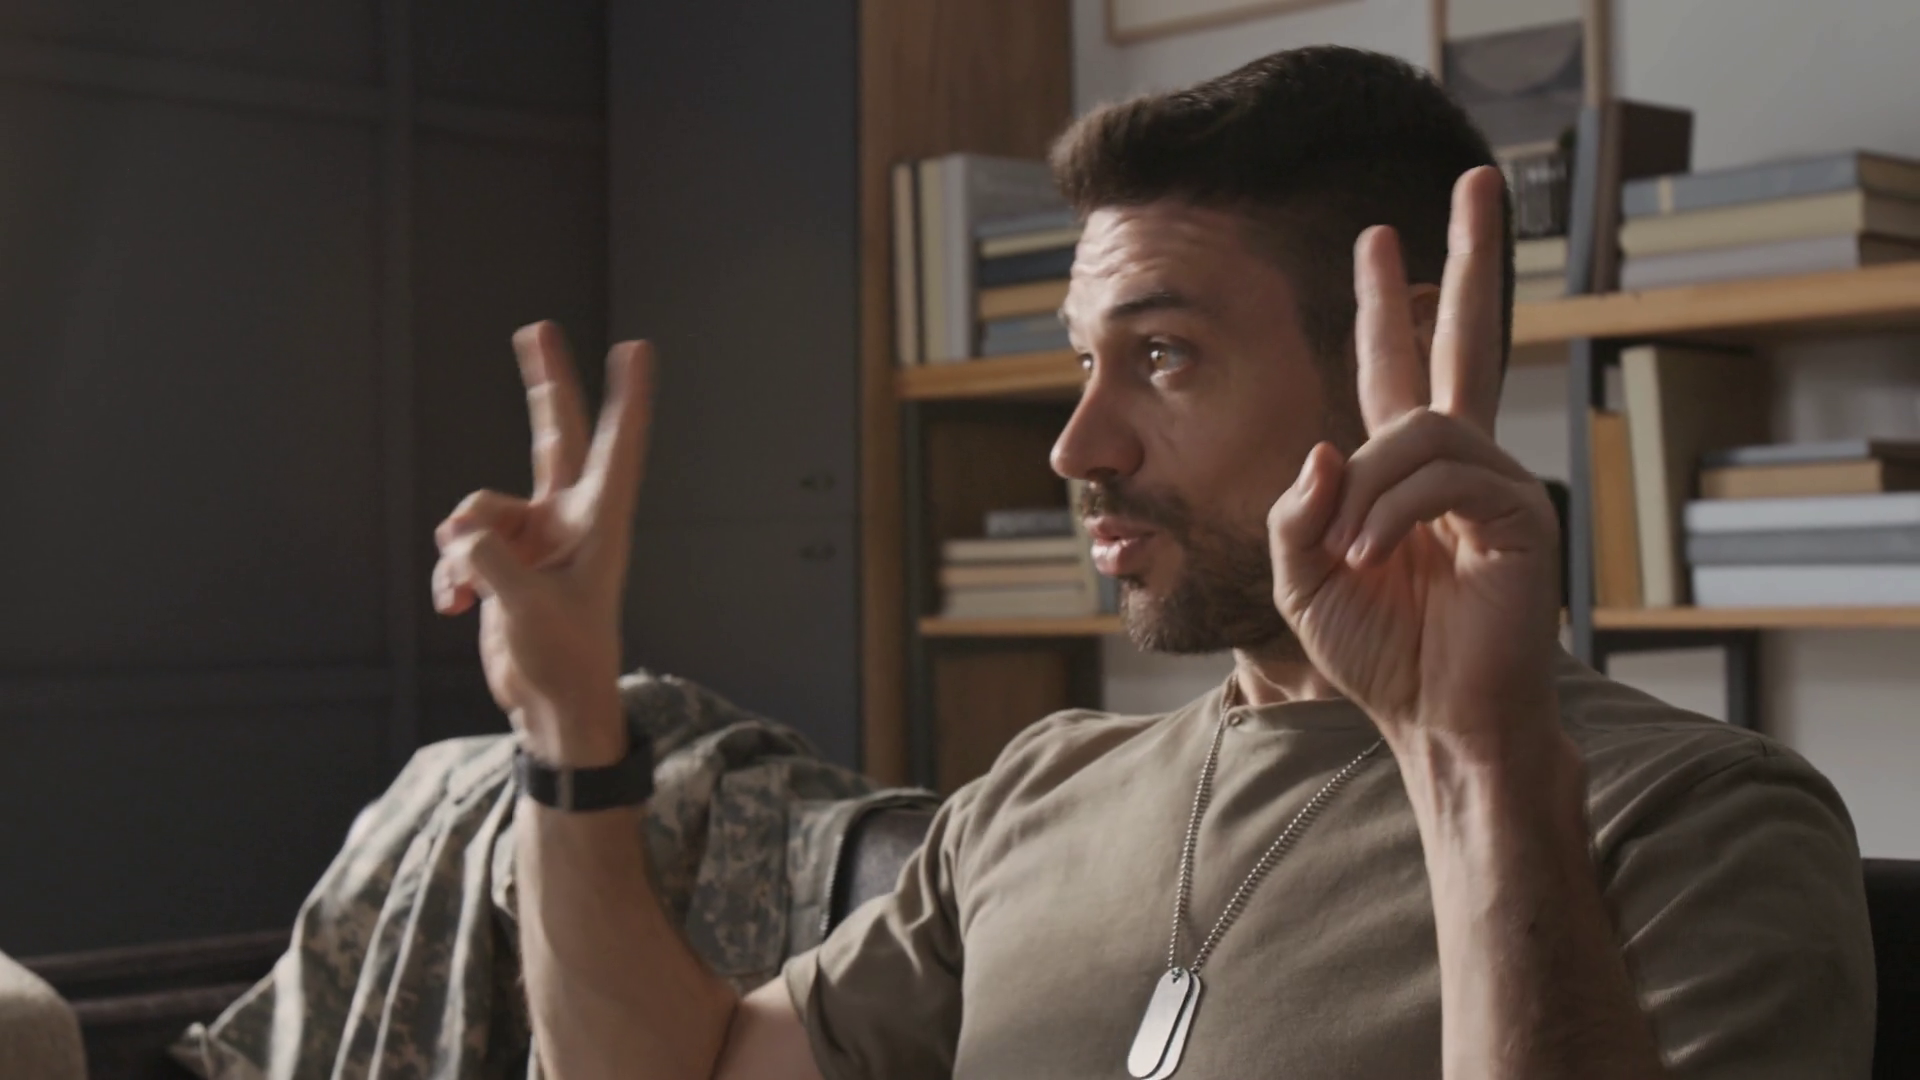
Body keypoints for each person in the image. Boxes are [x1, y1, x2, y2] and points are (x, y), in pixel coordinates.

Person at [428, 46, 1874, 1080]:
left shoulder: (1699, 822)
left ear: (1408, 360)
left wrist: (1475, 763)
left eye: (1163, 355)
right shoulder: (1041, 788)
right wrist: (568, 726)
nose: (1077, 444)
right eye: (1082, 362)